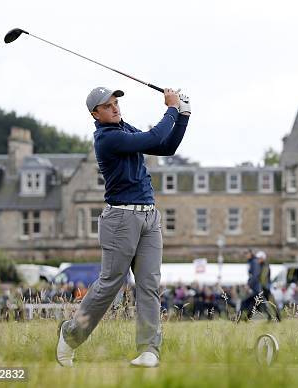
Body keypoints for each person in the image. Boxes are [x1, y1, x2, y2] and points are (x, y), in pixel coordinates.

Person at [56, 86, 190, 368]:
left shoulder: (123, 128)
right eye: (108, 106)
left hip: (149, 217)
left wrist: (184, 115)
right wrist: (171, 108)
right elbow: (154, 135)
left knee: (149, 284)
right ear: (95, 114)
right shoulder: (107, 138)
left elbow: (166, 146)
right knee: (110, 284)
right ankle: (70, 335)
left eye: (116, 103)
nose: (115, 108)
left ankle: (149, 350)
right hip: (120, 220)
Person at [256, 251, 281, 321]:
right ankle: (271, 317)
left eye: (259, 258)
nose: (258, 260)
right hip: (264, 288)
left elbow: (263, 278)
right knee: (265, 304)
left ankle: (278, 318)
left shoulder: (265, 266)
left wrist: (261, 287)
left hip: (266, 288)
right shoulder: (261, 266)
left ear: (263, 258)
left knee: (272, 304)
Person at [238, 249, 262, 321]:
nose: (246, 255)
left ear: (251, 253)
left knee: (245, 303)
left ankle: (240, 318)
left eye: (247, 253)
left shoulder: (254, 262)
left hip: (255, 287)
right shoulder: (252, 262)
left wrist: (249, 285)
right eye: (245, 254)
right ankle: (245, 319)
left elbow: (255, 275)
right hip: (255, 287)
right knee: (252, 305)